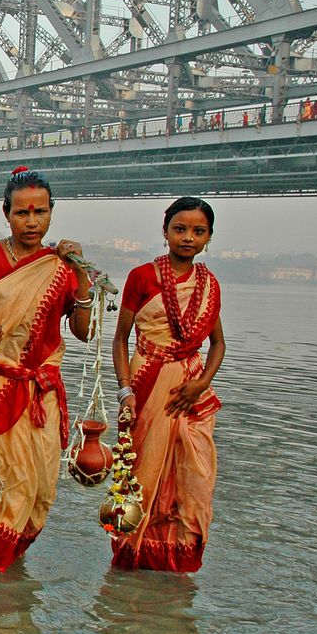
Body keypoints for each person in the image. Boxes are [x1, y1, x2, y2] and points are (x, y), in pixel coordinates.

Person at [0, 167, 92, 573]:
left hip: (40, 392)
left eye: (40, 212)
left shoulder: (63, 266)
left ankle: (3, 568)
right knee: (2, 483)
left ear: (52, 213)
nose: (31, 222)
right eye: (22, 213)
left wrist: (81, 275)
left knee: (39, 487)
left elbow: (82, 333)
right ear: (5, 213)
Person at [111, 197, 224, 572]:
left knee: (195, 475)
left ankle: (175, 558)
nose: (188, 238)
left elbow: (217, 343)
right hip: (147, 385)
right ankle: (131, 555)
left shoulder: (209, 284)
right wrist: (125, 390)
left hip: (192, 393)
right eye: (180, 229)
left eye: (198, 231)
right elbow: (120, 339)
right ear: (164, 232)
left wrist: (201, 383)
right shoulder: (142, 277)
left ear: (209, 237)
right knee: (141, 473)